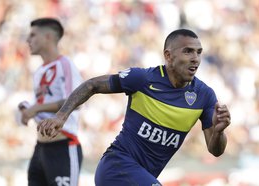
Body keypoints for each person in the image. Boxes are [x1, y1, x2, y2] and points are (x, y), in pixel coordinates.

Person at [38, 29, 231, 186]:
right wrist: (61, 116)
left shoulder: (204, 95)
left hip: (141, 178)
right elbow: (92, 85)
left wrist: (219, 131)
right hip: (116, 167)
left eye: (198, 52)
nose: (195, 58)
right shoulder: (142, 79)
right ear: (168, 56)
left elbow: (216, 151)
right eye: (188, 51)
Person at [18, 18, 83, 186]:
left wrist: (36, 109)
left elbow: (76, 100)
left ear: (48, 36)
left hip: (63, 146)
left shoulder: (65, 64)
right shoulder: (39, 71)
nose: (28, 40)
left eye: (33, 35)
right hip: (40, 149)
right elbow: (41, 105)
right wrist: (28, 110)